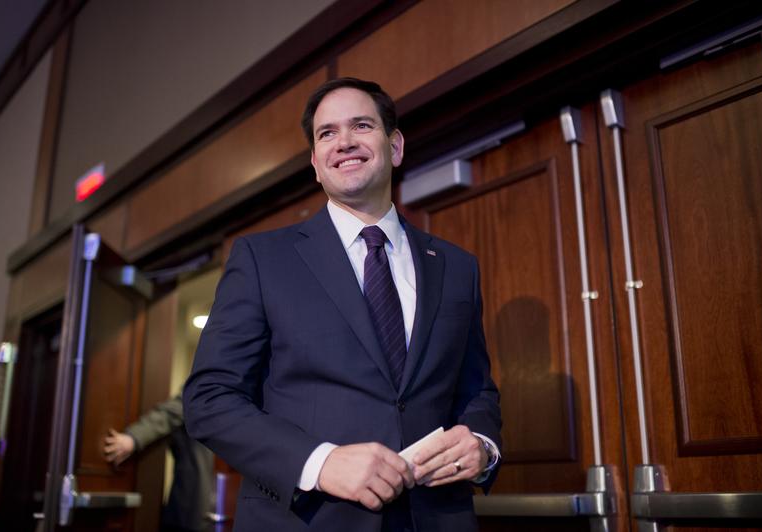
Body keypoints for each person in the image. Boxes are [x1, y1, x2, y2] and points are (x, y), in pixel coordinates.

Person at [183, 77, 502, 532]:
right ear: (315, 163)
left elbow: (476, 389)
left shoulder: (456, 266)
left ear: (394, 147)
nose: (345, 142)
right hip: (307, 519)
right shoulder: (261, 259)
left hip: (434, 518)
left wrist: (483, 443)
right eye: (327, 133)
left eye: (361, 126)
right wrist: (320, 462)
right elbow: (209, 400)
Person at [103, 393, 213, 532]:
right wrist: (134, 438)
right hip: (189, 512)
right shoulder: (209, 384)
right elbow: (170, 413)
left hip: (213, 508)